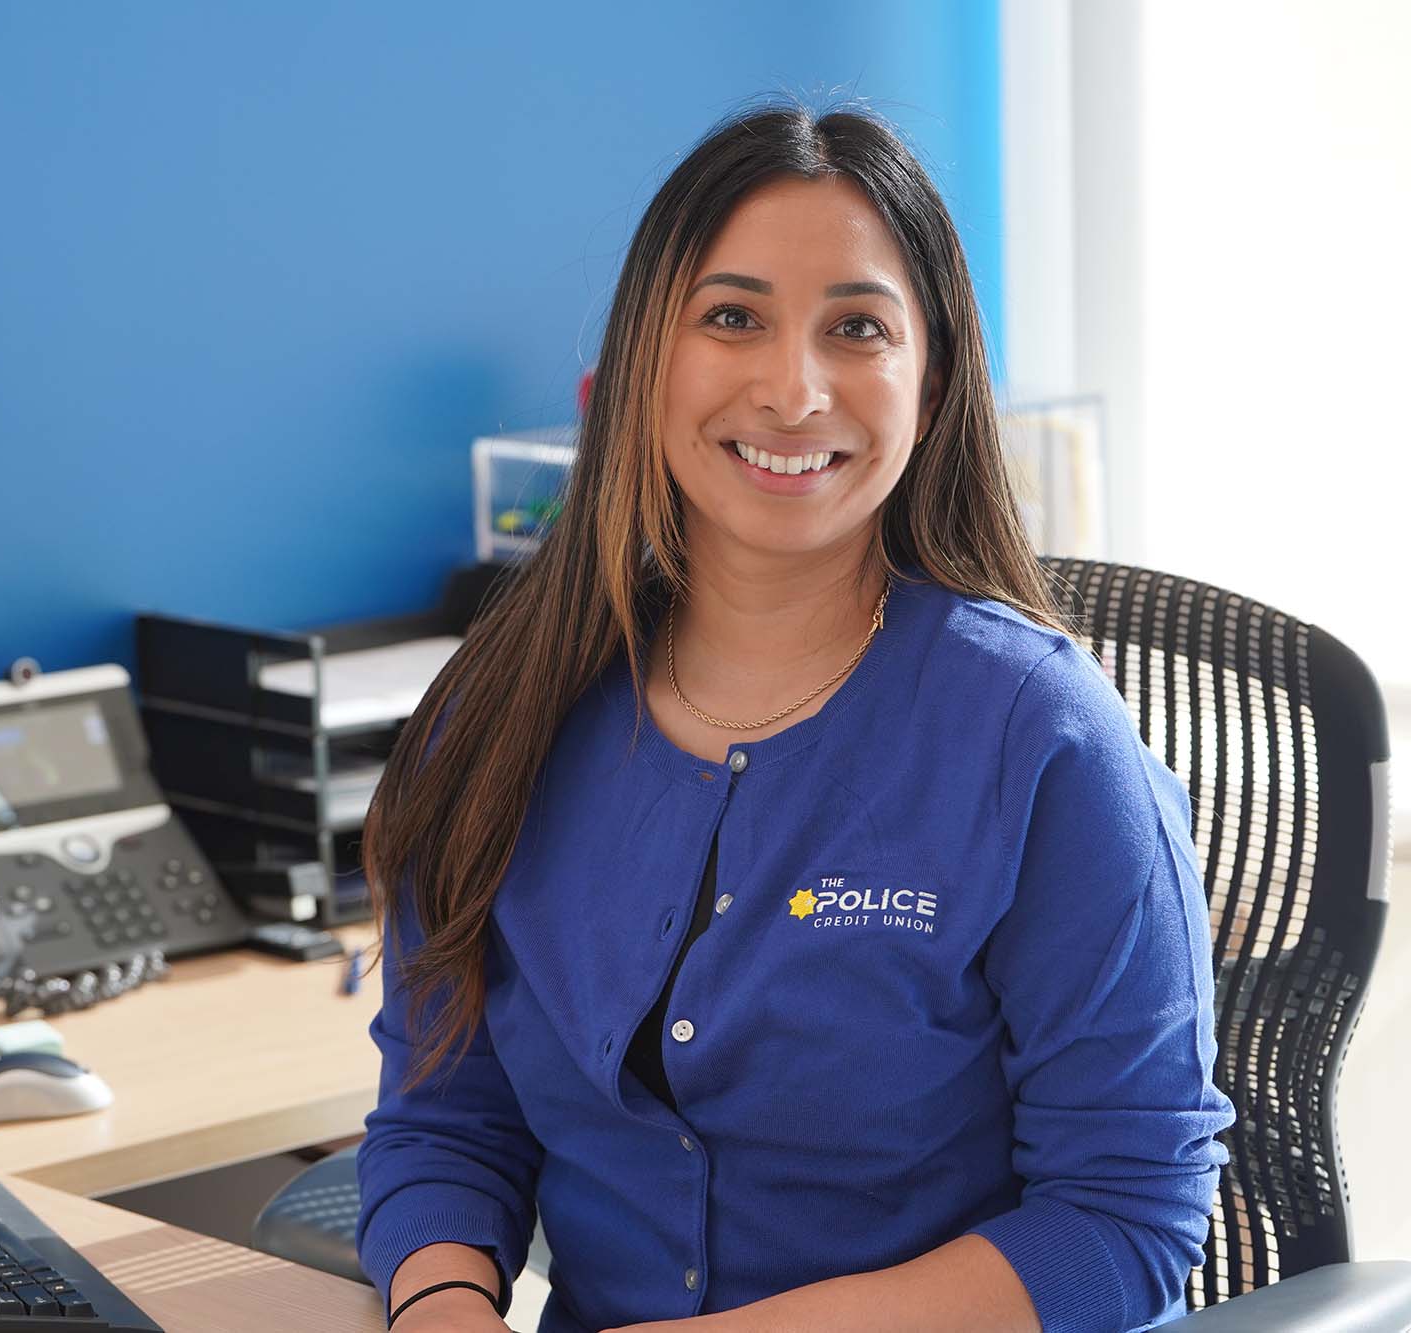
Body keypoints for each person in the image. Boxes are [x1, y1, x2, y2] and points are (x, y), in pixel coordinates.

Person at [353, 99, 1234, 1333]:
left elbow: (1125, 1219)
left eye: (857, 328)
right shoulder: (501, 715)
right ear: (636, 368)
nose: (792, 388)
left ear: (927, 390)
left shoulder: (1043, 742)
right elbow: (445, 1120)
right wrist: (441, 1305)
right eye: (731, 317)